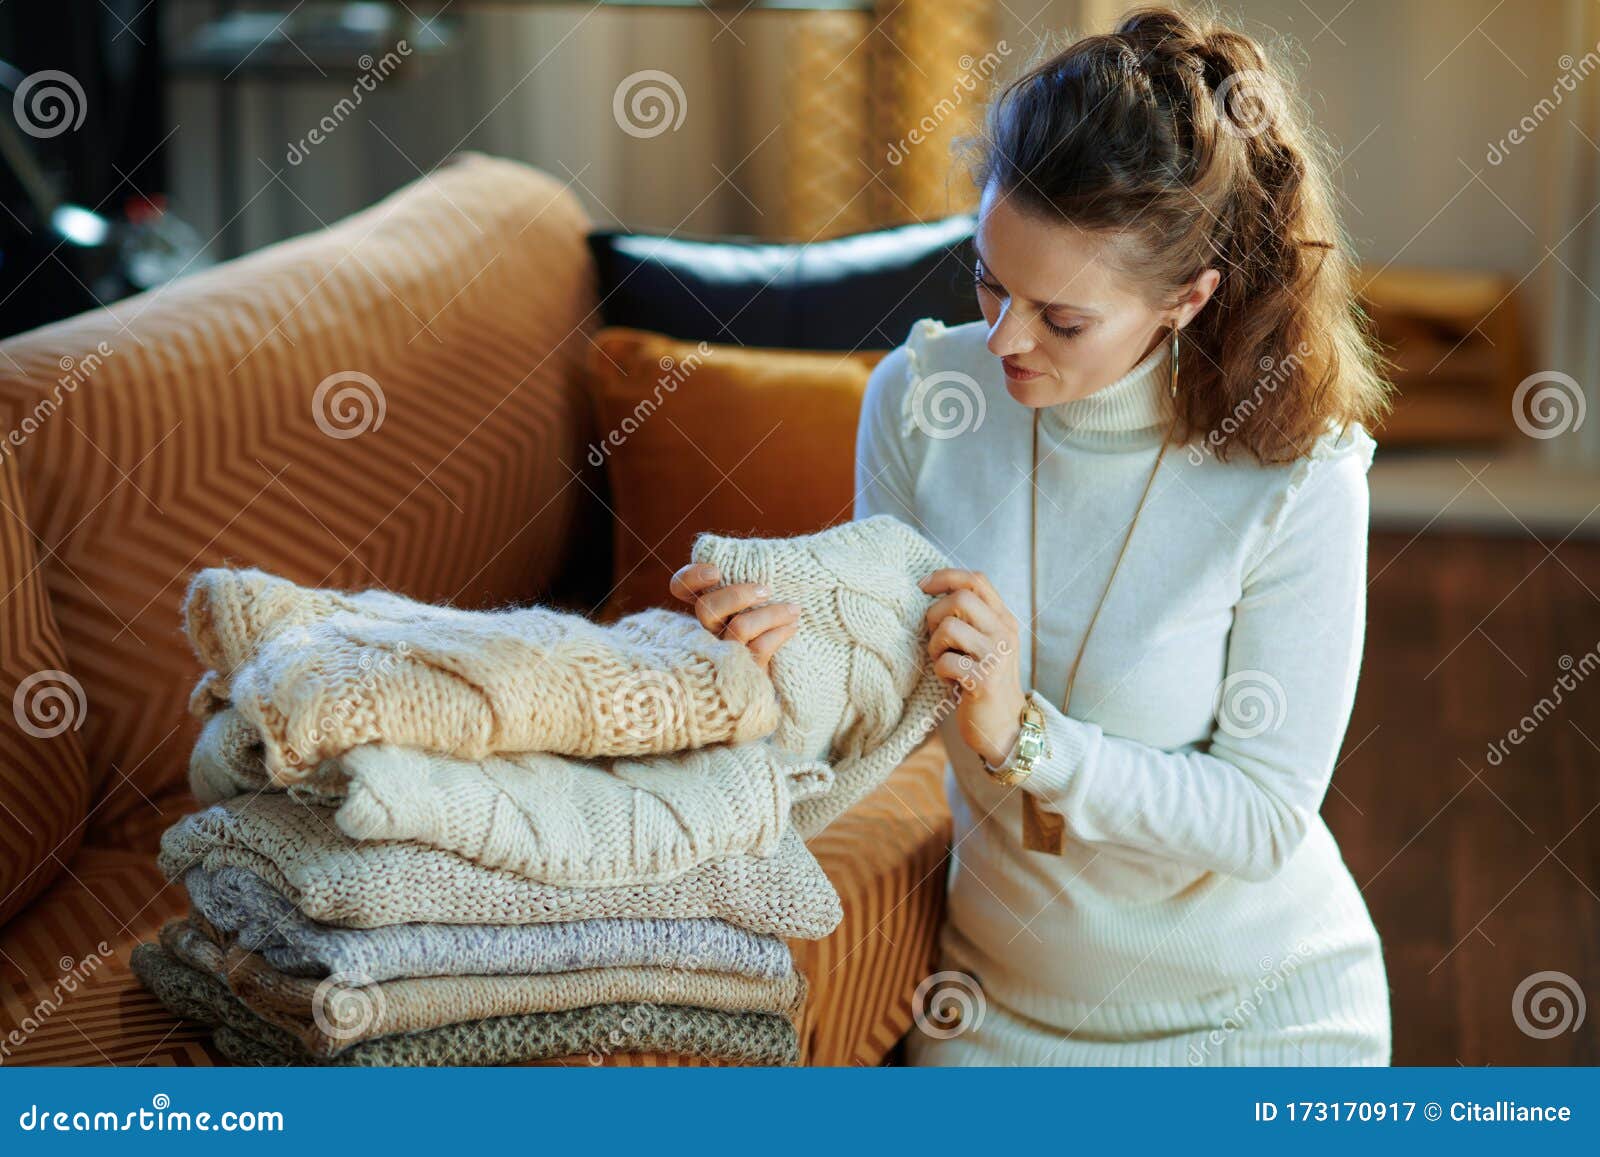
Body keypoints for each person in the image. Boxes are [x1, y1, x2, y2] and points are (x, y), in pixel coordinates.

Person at [671, 4, 1392, 1066]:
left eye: (1061, 319)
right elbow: (889, 680)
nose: (1004, 339)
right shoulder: (923, 397)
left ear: (1186, 298)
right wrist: (792, 661)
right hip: (996, 1012)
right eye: (988, 282)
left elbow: (1261, 817)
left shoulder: (1295, 471)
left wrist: (1026, 738)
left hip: (1258, 1014)